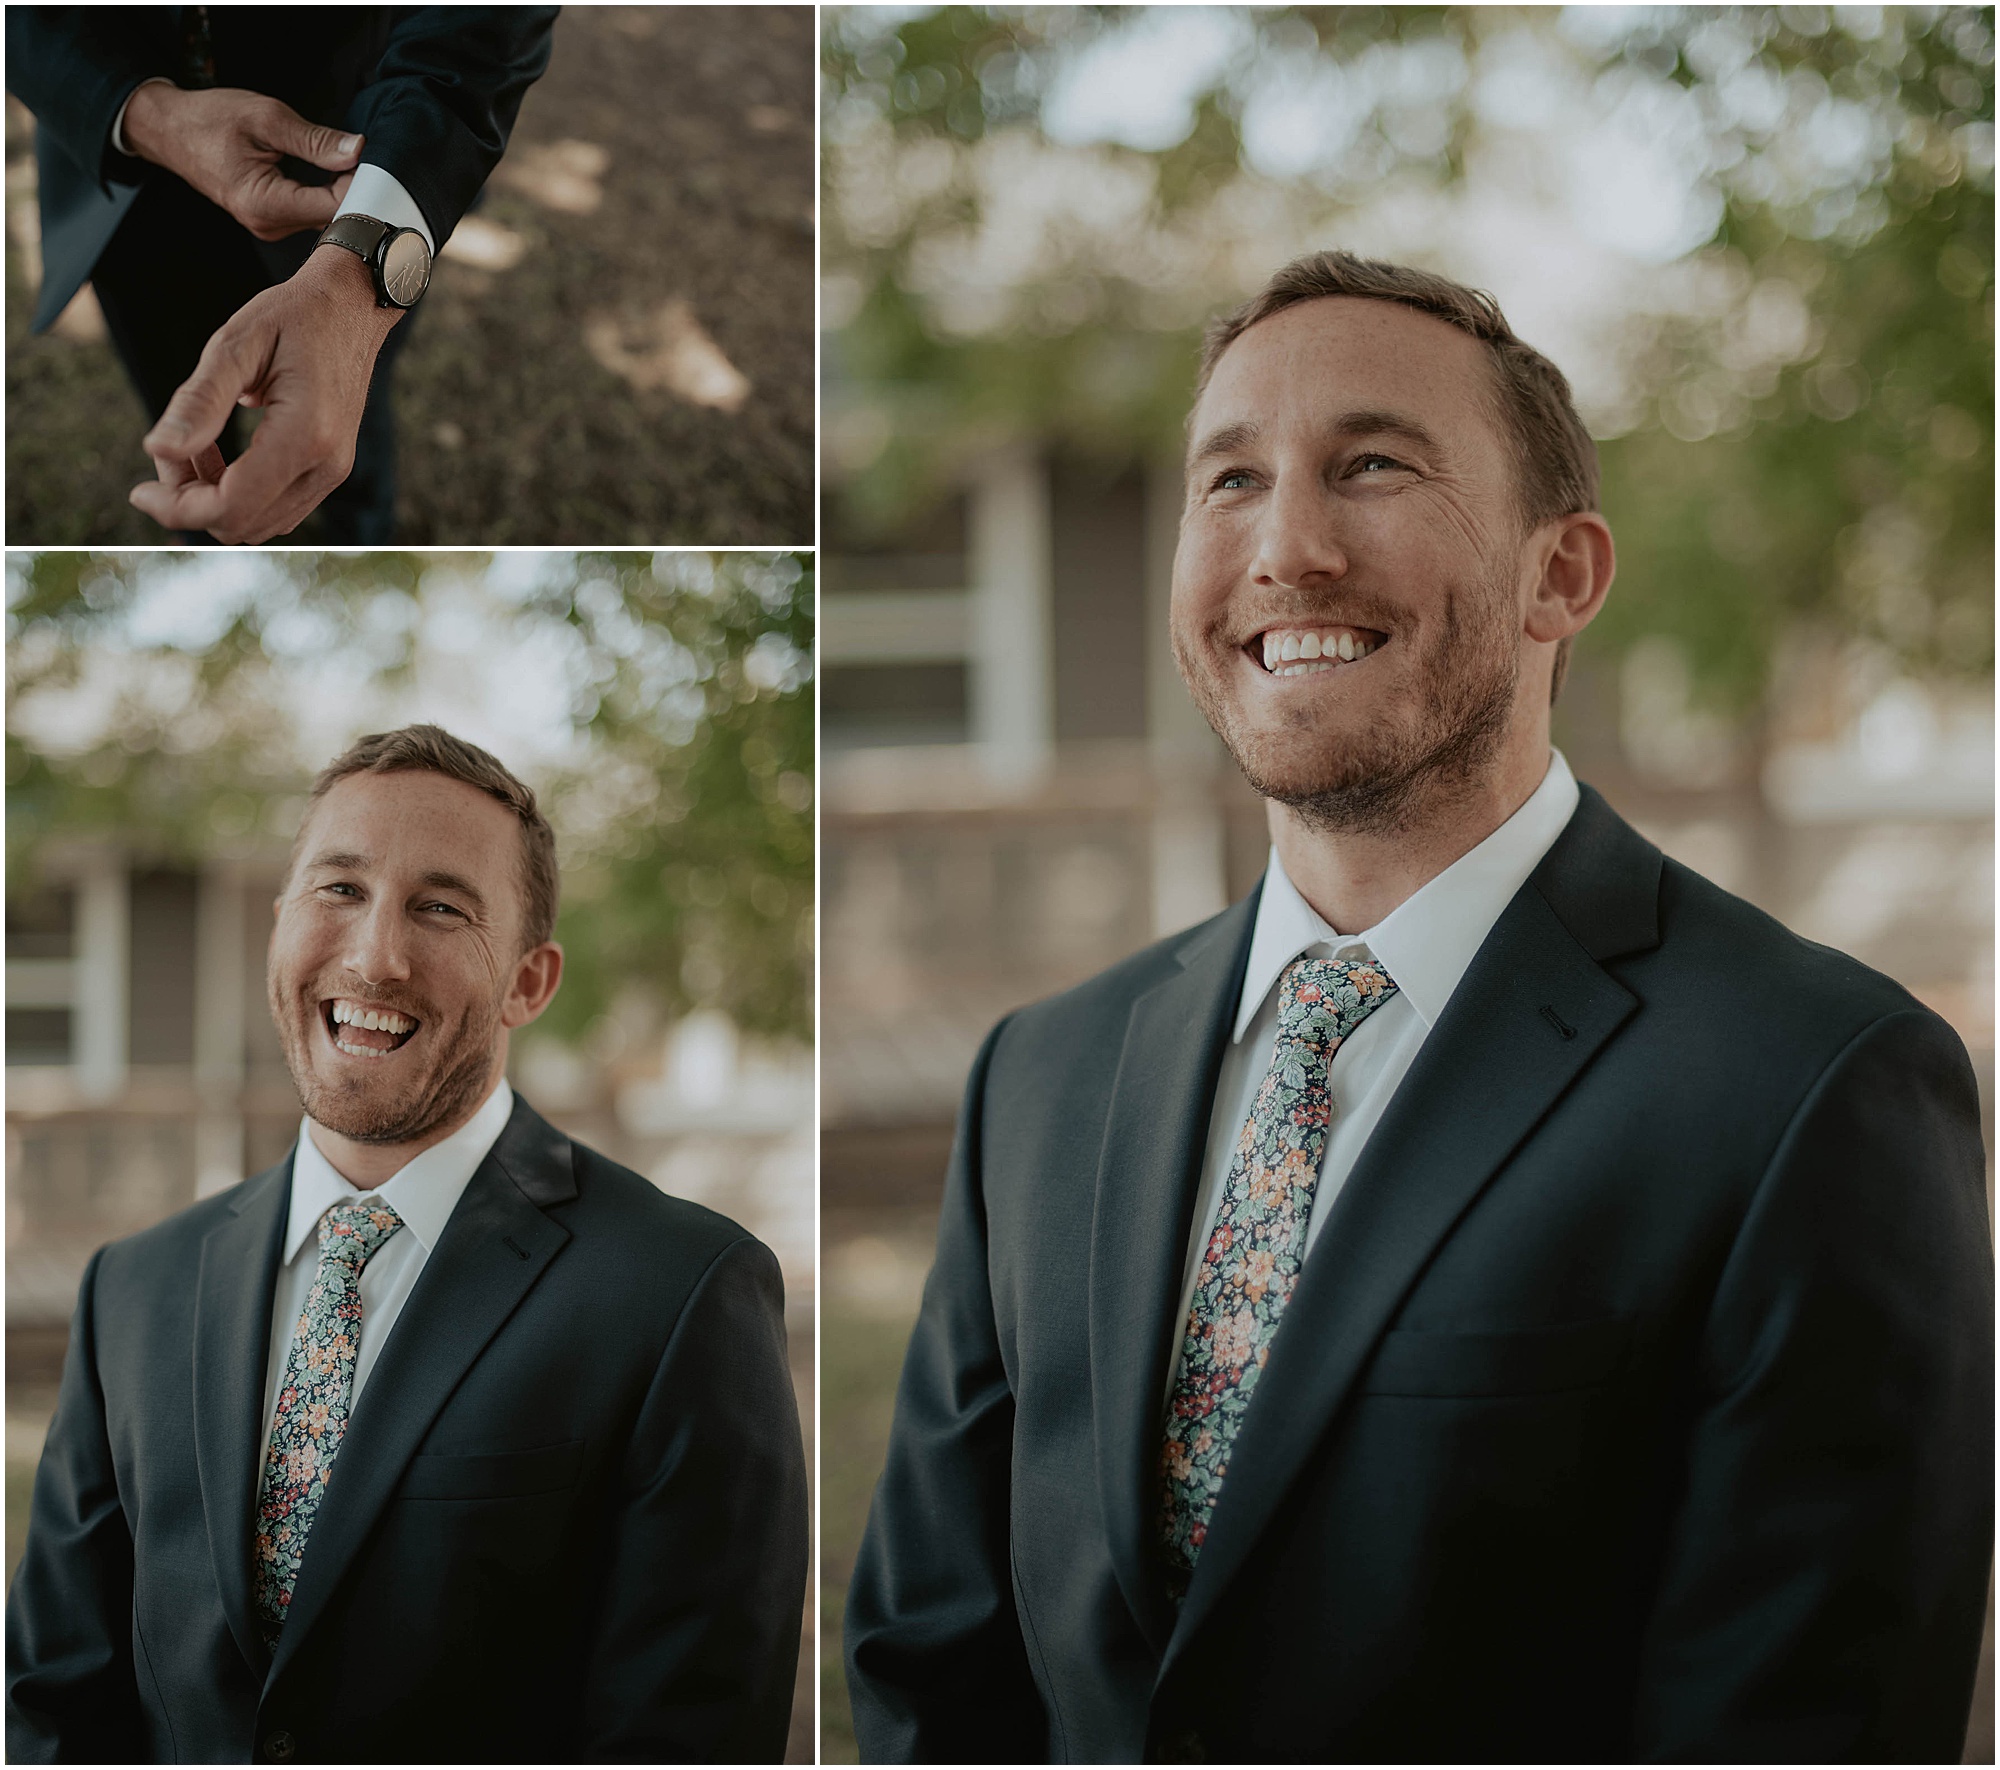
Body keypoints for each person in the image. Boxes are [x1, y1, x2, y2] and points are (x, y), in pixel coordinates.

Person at [843, 251, 1992, 1763]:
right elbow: (935, 1674)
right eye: (1231, 478)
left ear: (1559, 574)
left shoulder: (1815, 1085)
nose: (1287, 547)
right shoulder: (1042, 1076)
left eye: (1372, 465)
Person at [8, 724, 807, 1763]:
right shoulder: (133, 1287)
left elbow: (685, 1736)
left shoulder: (681, 1293)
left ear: (530, 981)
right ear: (278, 926)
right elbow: (58, 1707)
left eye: (440, 908)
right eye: (338, 890)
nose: (375, 955)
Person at [6, 9, 557, 545]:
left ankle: (362, 539)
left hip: (357, 159)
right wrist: (145, 115)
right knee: (187, 430)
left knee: (347, 419)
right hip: (123, 183)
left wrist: (353, 289)